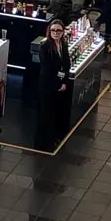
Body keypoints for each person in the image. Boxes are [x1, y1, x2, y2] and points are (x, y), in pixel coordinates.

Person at [35, 20, 71, 151]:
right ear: (49, 32)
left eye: (59, 31)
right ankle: (43, 141)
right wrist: (57, 84)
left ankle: (53, 137)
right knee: (46, 113)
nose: (56, 33)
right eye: (53, 30)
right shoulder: (45, 46)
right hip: (48, 85)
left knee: (55, 112)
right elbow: (47, 69)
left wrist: (64, 81)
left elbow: (66, 63)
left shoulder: (63, 44)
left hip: (60, 83)